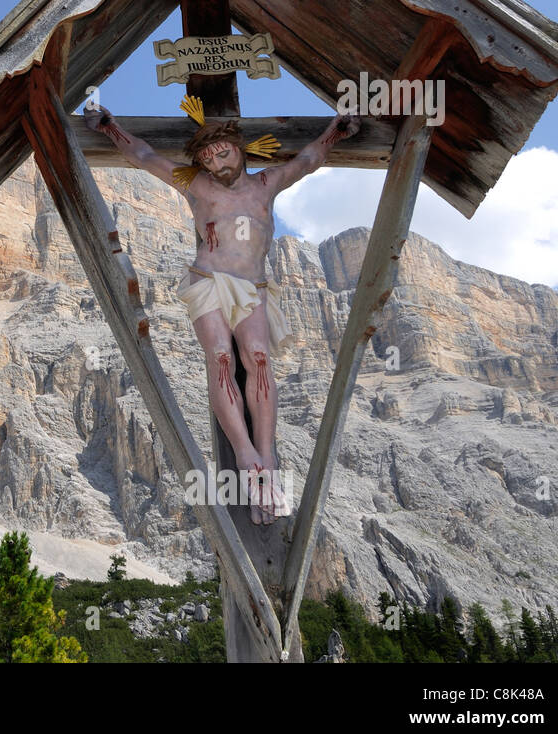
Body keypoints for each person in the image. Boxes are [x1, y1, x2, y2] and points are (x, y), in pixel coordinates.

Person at [84, 96, 359, 524]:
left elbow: (307, 160)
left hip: (253, 287)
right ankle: (246, 456)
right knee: (221, 357)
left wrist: (335, 133)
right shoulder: (198, 187)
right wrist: (110, 128)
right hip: (208, 280)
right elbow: (144, 156)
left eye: (223, 151)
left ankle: (267, 457)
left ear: (240, 149)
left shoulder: (267, 183)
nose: (217, 162)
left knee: (259, 358)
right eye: (208, 158)